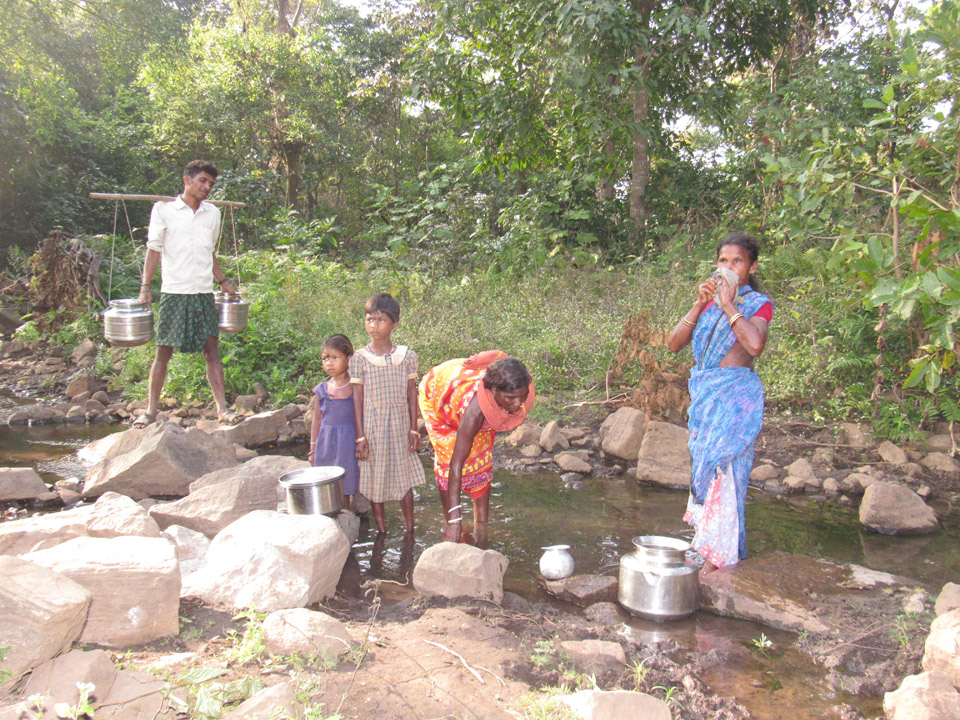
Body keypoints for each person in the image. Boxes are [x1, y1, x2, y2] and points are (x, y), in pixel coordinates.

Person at [666, 232, 773, 576]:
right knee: (708, 472)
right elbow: (672, 344)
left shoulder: (758, 304)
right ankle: (705, 546)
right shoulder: (708, 302)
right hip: (706, 398)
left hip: (734, 400)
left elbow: (754, 345)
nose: (729, 267)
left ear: (751, 266)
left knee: (725, 472)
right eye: (723, 261)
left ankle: (721, 554)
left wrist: (729, 304)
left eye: (737, 261)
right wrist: (700, 304)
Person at [136, 160, 237, 426]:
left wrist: (222, 280)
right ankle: (150, 411)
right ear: (187, 180)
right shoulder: (164, 210)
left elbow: (210, 253)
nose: (207, 187)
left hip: (203, 293)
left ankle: (223, 410)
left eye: (211, 184)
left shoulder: (212, 214)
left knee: (212, 351)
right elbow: (154, 249)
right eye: (202, 181)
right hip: (174, 292)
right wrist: (145, 287)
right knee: (163, 352)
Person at [419, 351, 535, 544]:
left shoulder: (515, 386)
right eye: (511, 398)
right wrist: (455, 522)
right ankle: (452, 527)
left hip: (468, 395)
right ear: (494, 392)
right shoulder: (474, 411)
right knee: (449, 459)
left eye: (523, 396)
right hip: (438, 396)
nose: (518, 403)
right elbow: (456, 464)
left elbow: (513, 395)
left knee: (481, 458)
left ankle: (481, 530)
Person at [350, 293, 426, 534]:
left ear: (395, 323)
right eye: (369, 319)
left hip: (401, 425)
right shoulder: (359, 359)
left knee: (404, 476)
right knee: (375, 477)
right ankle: (381, 531)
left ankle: (410, 529)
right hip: (373, 427)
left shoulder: (407, 356)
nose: (373, 325)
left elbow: (412, 394)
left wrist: (414, 429)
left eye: (380, 320)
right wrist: (360, 437)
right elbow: (357, 397)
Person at [307, 334, 360, 508]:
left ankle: (347, 517)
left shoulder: (356, 387)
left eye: (335, 358)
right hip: (327, 444)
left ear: (348, 359)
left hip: (348, 445)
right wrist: (313, 449)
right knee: (326, 485)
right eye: (325, 358)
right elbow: (317, 420)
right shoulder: (321, 390)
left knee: (345, 484)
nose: (329, 363)